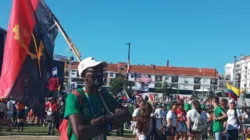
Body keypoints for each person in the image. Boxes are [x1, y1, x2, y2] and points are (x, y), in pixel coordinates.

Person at [63, 57, 132, 140]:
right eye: (94, 71)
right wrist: (107, 127)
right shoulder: (74, 97)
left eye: (101, 71)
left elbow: (126, 115)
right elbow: (80, 133)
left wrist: (104, 120)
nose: (100, 74)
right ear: (84, 76)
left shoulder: (103, 95)